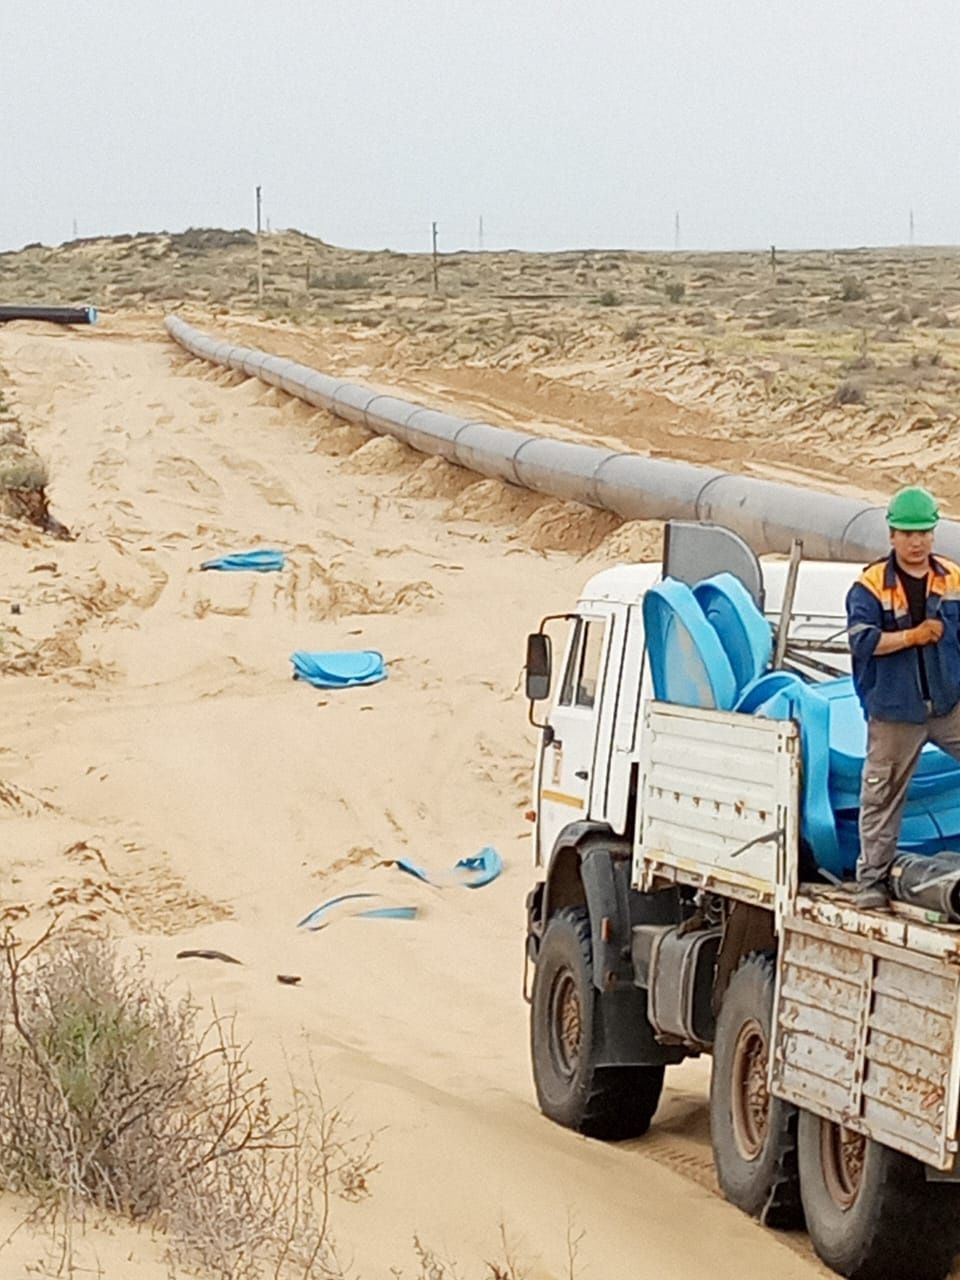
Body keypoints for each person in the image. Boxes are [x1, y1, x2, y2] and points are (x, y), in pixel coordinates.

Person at [846, 486, 960, 909]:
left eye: (924, 533)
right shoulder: (870, 586)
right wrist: (913, 636)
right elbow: (863, 642)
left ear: (933, 533)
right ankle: (872, 881)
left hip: (948, 704)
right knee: (881, 793)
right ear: (892, 535)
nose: (916, 542)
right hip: (895, 712)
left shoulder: (952, 578)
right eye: (908, 533)